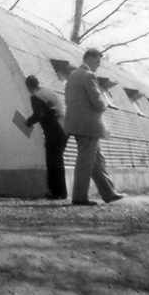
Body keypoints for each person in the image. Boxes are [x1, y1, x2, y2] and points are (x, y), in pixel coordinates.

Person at [64, 49, 124, 206]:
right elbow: (97, 101)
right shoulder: (88, 75)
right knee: (85, 161)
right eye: (97, 62)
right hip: (88, 126)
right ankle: (79, 197)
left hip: (77, 124)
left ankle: (109, 193)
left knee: (95, 159)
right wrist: (105, 105)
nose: (98, 66)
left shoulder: (73, 75)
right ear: (90, 59)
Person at [24, 75, 68, 200]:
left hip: (53, 131)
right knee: (58, 161)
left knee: (52, 161)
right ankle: (62, 192)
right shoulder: (48, 92)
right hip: (64, 128)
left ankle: (56, 192)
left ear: (28, 86)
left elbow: (39, 114)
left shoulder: (36, 96)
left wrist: (28, 122)